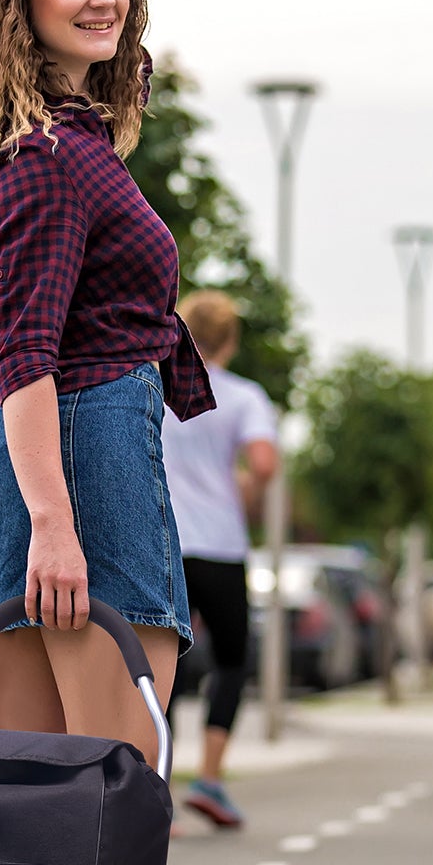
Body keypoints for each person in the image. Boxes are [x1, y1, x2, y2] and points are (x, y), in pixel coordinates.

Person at [0, 0, 214, 767]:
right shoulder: (48, 155)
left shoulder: (51, 142)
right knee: (112, 798)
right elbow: (23, 349)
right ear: (21, 0)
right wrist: (55, 522)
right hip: (80, 467)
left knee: (25, 820)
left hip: (27, 467)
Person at [159, 290, 278, 828]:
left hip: (161, 540)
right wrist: (245, 492)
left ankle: (156, 791)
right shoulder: (244, 396)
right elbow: (265, 462)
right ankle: (210, 777)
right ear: (230, 339)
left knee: (161, 663)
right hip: (222, 547)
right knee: (232, 660)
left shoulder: (155, 384)